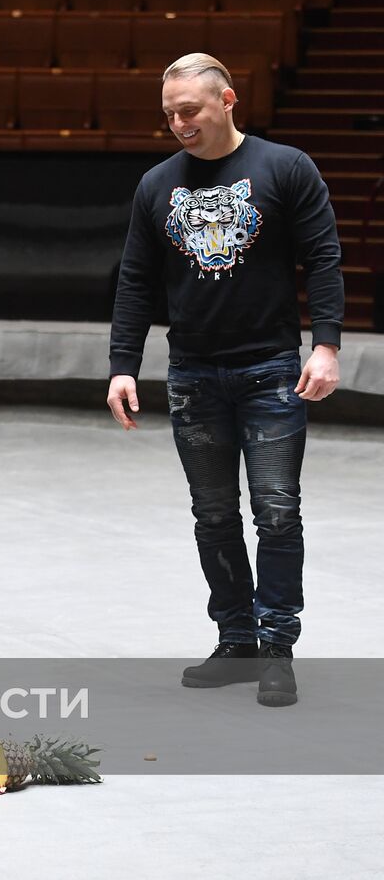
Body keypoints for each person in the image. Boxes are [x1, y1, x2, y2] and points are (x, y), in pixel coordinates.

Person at [107, 53, 344, 709]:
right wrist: (123, 364)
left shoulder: (284, 168)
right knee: (213, 513)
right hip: (193, 372)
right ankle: (236, 638)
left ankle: (276, 646)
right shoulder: (157, 184)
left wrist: (324, 345)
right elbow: (135, 278)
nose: (179, 123)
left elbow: (322, 256)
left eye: (190, 110)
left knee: (275, 508)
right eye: (169, 114)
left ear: (228, 100)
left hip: (270, 366)